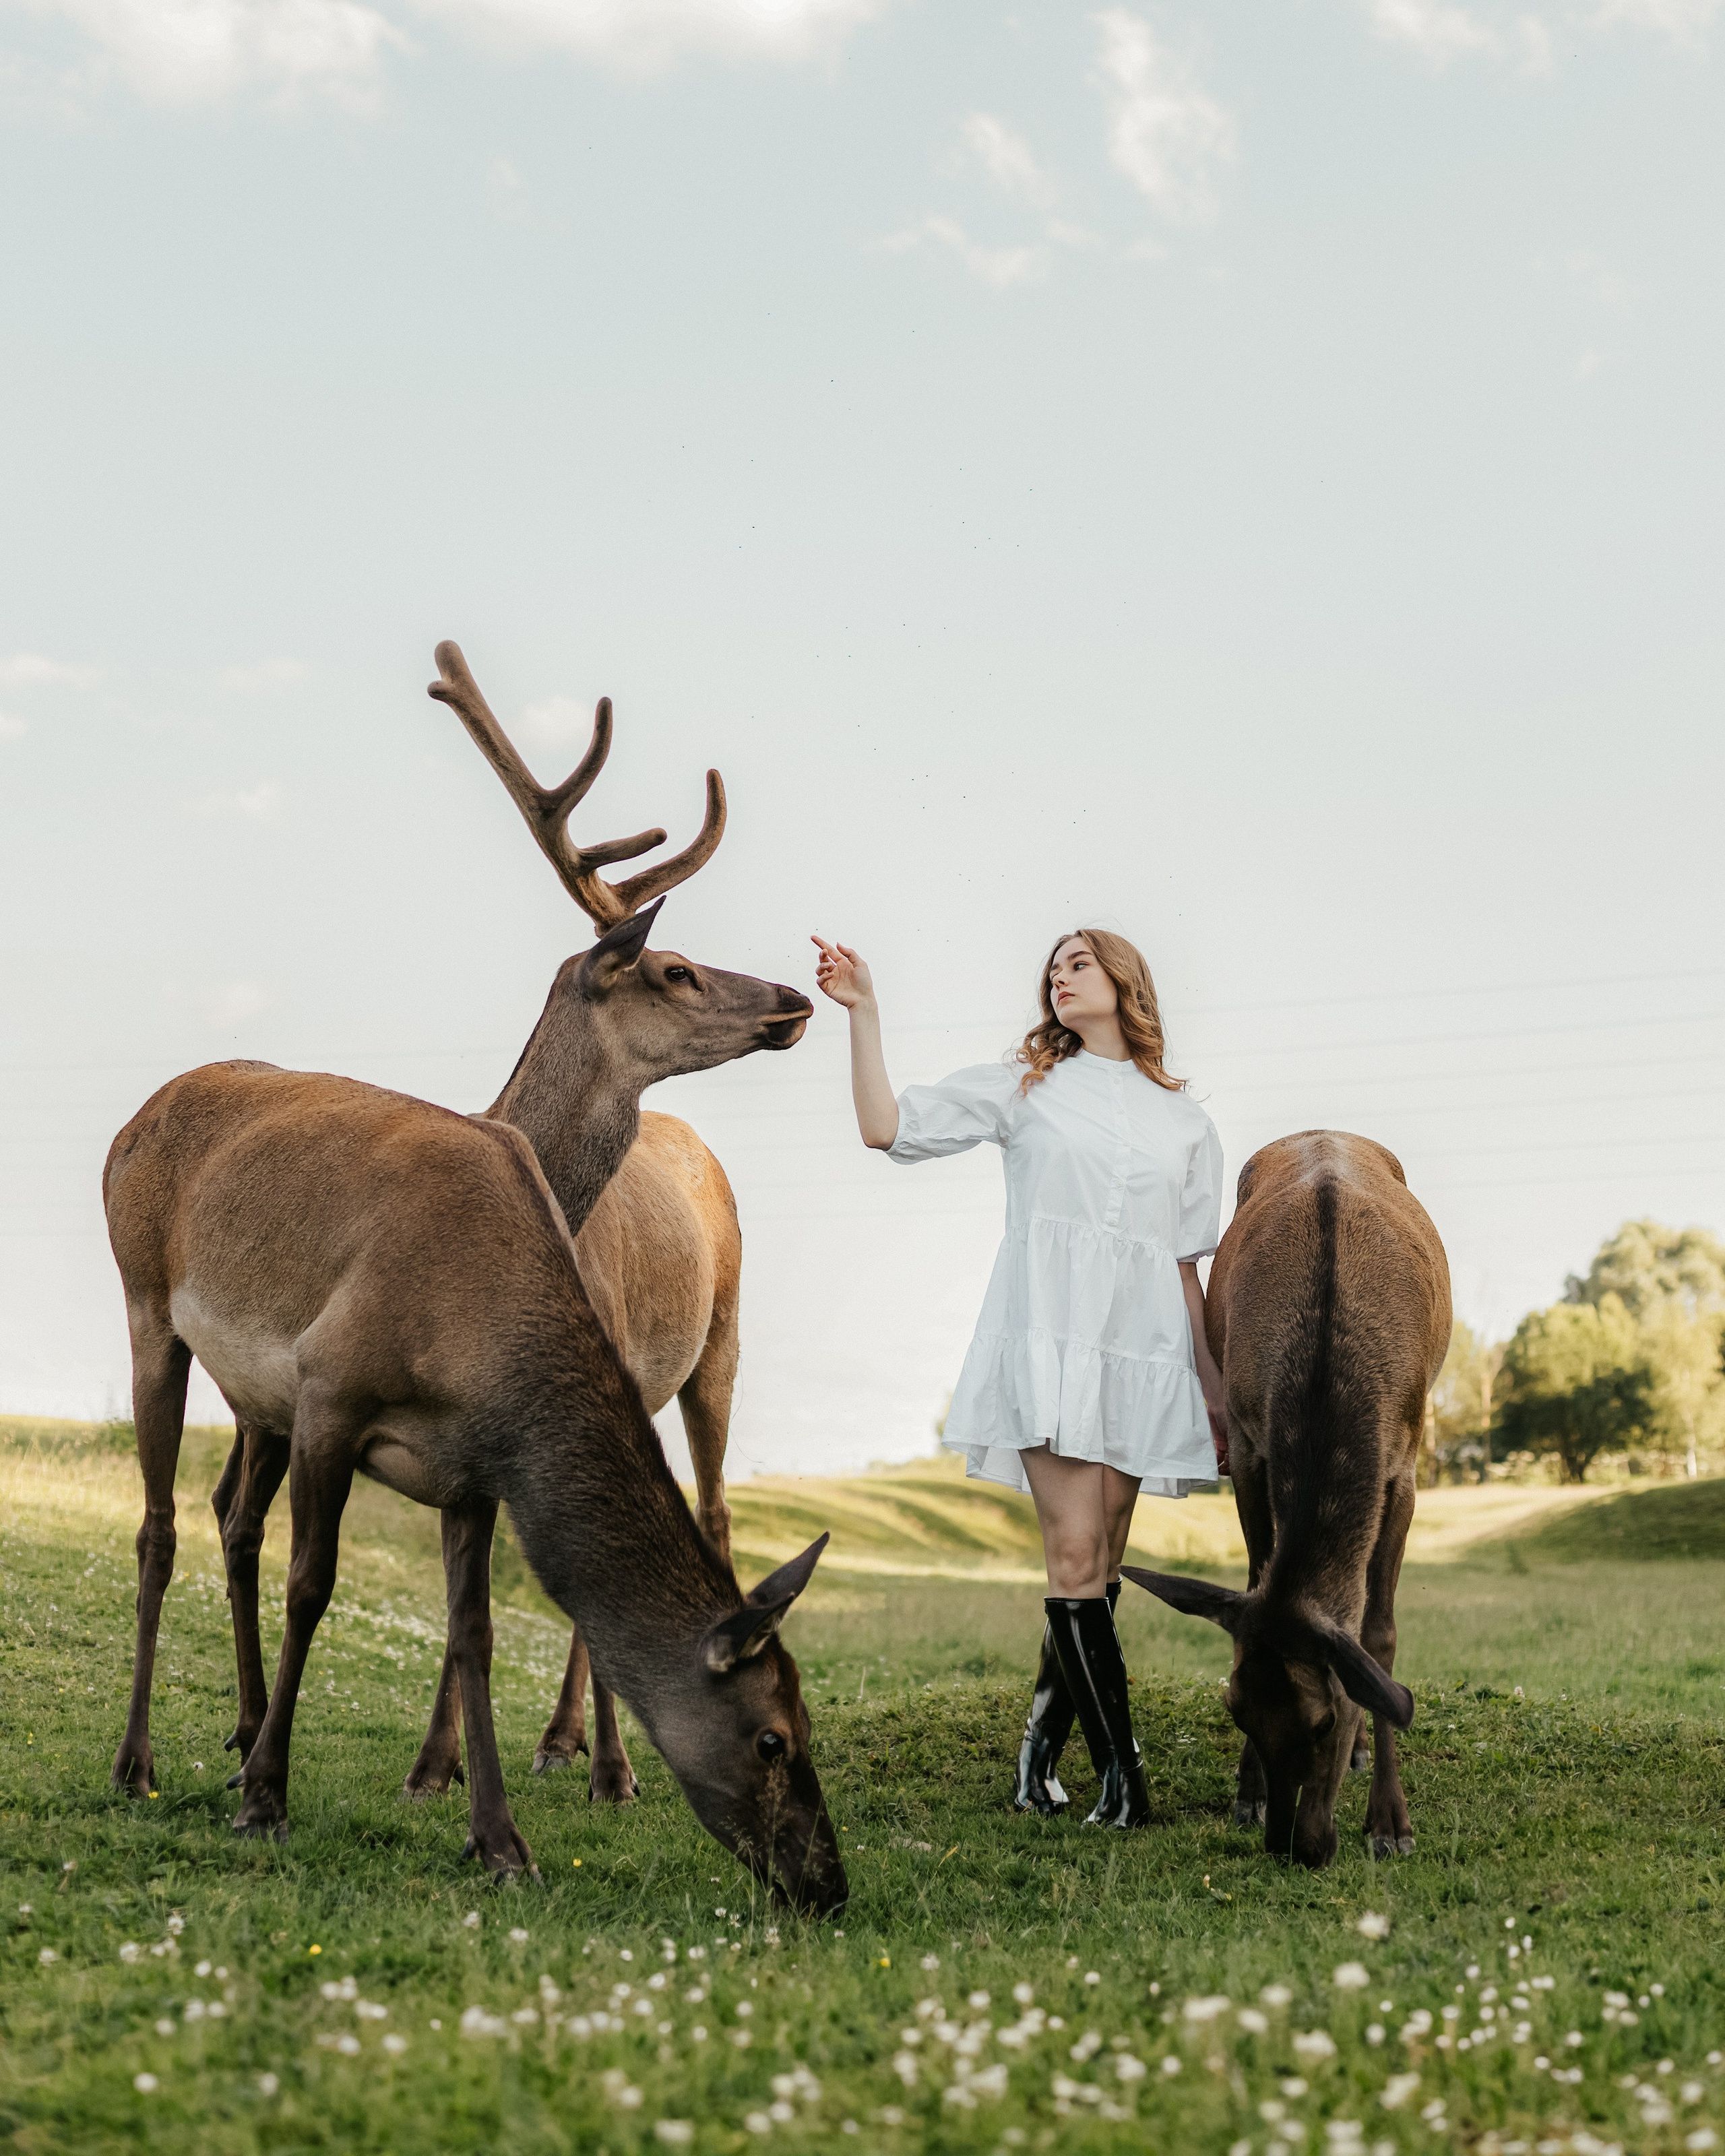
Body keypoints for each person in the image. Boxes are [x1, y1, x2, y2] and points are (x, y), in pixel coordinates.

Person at [812, 927, 1227, 1829]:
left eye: (1078, 963)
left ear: (1125, 981)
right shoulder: (1025, 1085)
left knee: (1101, 1563)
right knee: (1075, 1556)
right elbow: (887, 1128)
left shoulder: (1187, 1122)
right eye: (1053, 969)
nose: (1060, 977)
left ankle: (1038, 1757)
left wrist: (1214, 1386)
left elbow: (1186, 1266)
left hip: (1142, 1356)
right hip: (1047, 1340)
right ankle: (1125, 1784)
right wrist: (865, 1013)